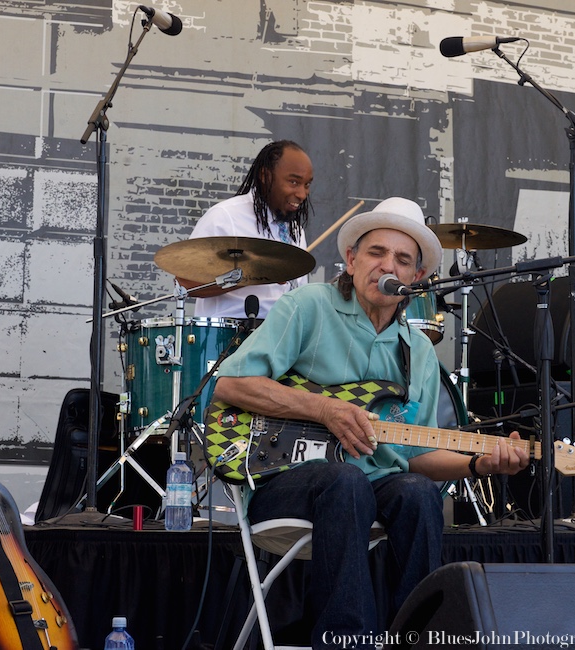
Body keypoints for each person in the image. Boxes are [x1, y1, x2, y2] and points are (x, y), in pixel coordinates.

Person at [212, 197, 530, 649]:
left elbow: (415, 458)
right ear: (352, 259)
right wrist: (324, 409)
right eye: (377, 252)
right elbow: (230, 385)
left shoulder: (416, 351)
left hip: (368, 488)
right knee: (345, 481)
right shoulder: (307, 307)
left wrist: (480, 465)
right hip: (281, 480)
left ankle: (420, 637)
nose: (388, 266)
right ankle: (346, 641)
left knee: (418, 494)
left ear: (416, 278)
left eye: (403, 260)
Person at [181, 140, 314, 319]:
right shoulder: (225, 216)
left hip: (282, 338)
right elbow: (185, 283)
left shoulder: (295, 231)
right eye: (293, 182)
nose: (302, 194)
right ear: (265, 176)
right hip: (230, 341)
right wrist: (256, 272)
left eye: (306, 185)